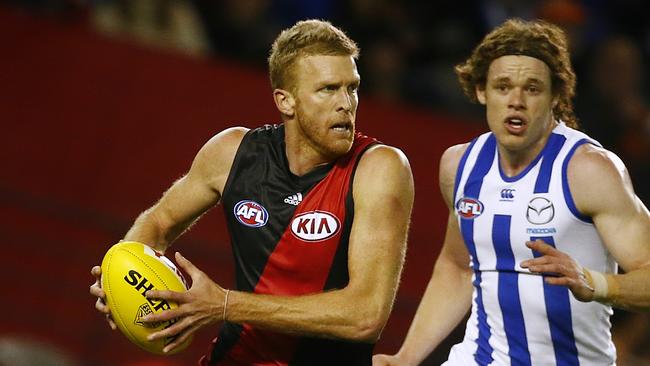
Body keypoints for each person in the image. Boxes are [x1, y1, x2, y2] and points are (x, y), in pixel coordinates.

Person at [89, 19, 414, 365]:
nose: (346, 104)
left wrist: (225, 304)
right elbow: (158, 222)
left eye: (353, 88)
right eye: (328, 89)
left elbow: (365, 315)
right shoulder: (233, 153)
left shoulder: (378, 169)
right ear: (285, 101)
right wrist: (121, 282)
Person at [374, 18, 650, 365]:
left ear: (555, 97)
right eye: (503, 86)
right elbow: (458, 266)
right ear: (481, 91)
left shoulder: (590, 170)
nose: (516, 100)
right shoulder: (460, 165)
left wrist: (596, 284)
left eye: (532, 88)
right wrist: (406, 357)